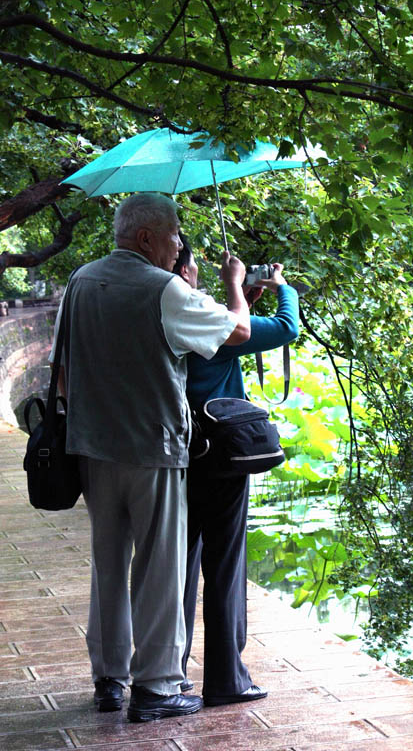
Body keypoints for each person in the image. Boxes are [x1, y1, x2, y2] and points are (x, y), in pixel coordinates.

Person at [51, 193, 250, 722]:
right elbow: (239, 331)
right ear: (146, 238)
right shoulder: (163, 289)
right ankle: (158, 686)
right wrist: (235, 285)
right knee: (160, 569)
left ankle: (109, 680)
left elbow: (62, 364)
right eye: (173, 234)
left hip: (92, 448)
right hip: (153, 449)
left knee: (108, 566)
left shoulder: (81, 281)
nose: (178, 244)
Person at [174, 233, 299, 706]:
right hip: (221, 457)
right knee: (224, 566)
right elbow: (286, 328)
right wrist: (276, 285)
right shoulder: (204, 316)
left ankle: (172, 669)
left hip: (177, 452)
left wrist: (241, 301)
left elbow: (230, 328)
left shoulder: (163, 315)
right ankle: (227, 678)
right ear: (183, 271)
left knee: (180, 564)